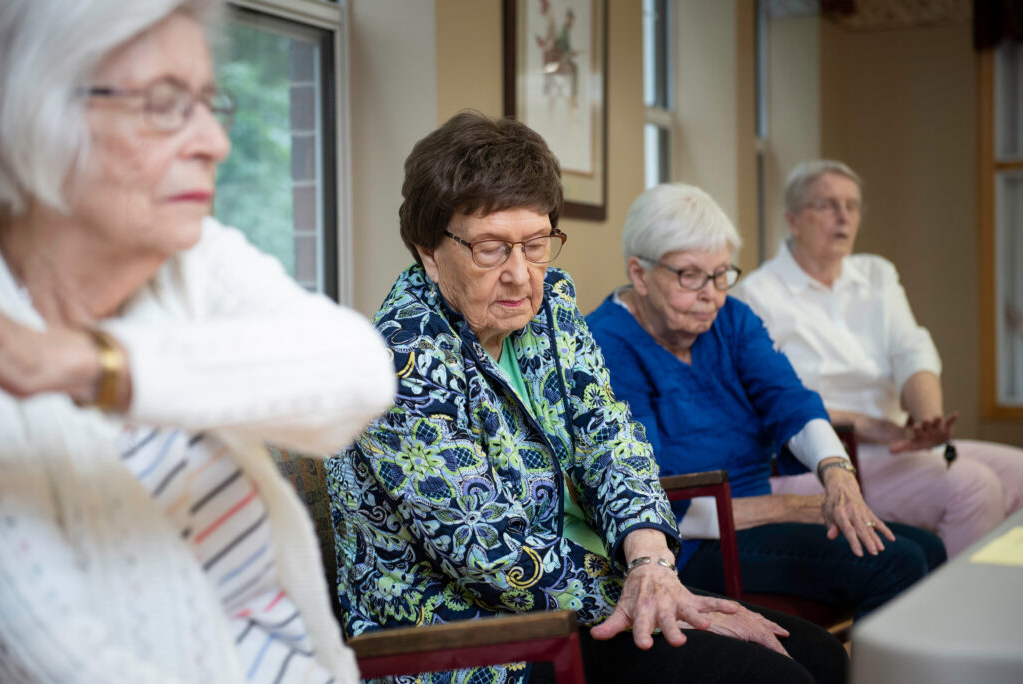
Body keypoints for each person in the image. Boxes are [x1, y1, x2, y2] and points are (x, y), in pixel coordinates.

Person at [326, 112, 849, 684]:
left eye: (535, 243)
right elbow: (493, 555)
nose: (521, 275)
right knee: (769, 678)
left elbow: (612, 439)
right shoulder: (395, 365)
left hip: (589, 592)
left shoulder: (550, 307)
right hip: (476, 638)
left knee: (817, 654)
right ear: (428, 250)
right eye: (491, 249)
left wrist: (650, 560)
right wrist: (657, 598)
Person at [0, 1, 395, 682]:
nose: (214, 141)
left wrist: (91, 365)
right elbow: (68, 658)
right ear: (38, 111)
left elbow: (360, 372)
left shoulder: (186, 261)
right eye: (163, 104)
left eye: (211, 103)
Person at [586, 182, 944, 619]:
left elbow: (790, 400)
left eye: (721, 274)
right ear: (639, 274)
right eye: (690, 275)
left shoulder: (731, 319)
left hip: (755, 520)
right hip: (688, 543)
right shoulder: (605, 344)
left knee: (930, 550)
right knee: (898, 563)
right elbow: (647, 493)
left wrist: (837, 475)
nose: (712, 294)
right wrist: (794, 506)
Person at [736, 160, 1023, 557]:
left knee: (1019, 474)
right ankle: (944, 616)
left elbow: (911, 350)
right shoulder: (756, 295)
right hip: (821, 460)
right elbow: (766, 401)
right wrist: (871, 426)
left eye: (852, 206)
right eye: (828, 205)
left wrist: (927, 421)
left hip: (898, 446)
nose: (843, 217)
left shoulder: (876, 274)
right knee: (974, 487)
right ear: (793, 220)